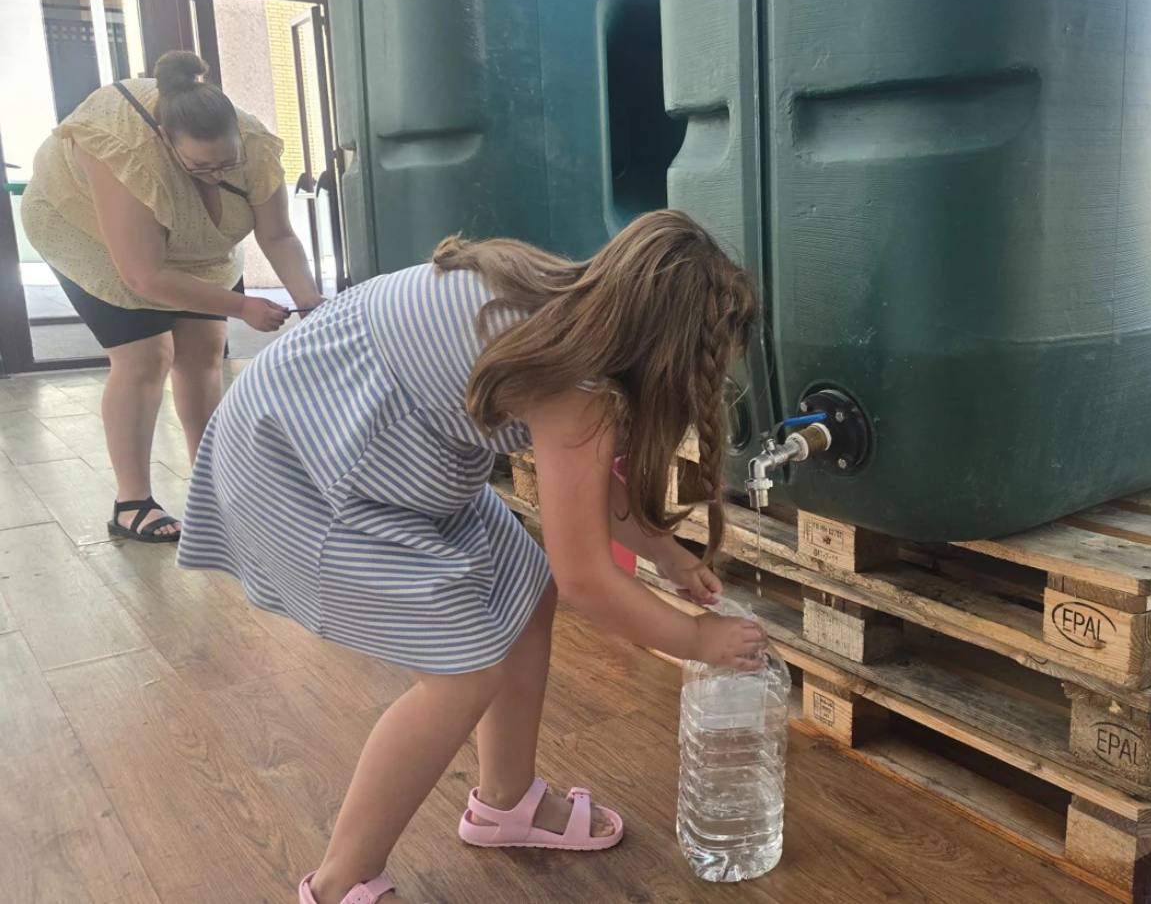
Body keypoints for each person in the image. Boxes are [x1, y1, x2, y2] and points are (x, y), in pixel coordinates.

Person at [176, 209, 768, 904]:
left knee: (524, 588)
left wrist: (664, 553)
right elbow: (587, 578)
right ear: (658, 358)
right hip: (305, 474)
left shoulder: (555, 304)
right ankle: (339, 882)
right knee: (464, 670)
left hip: (379, 456)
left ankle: (504, 803)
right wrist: (698, 638)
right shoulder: (574, 390)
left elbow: (582, 494)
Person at [21, 51, 320, 543]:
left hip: (197, 245)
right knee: (144, 356)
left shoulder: (255, 144)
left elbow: (279, 235)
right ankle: (131, 502)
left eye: (228, 162)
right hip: (88, 233)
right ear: (165, 141)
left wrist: (309, 304)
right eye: (202, 165)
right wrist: (245, 307)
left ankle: (214, 484)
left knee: (202, 352)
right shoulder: (122, 146)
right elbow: (142, 274)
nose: (217, 172)